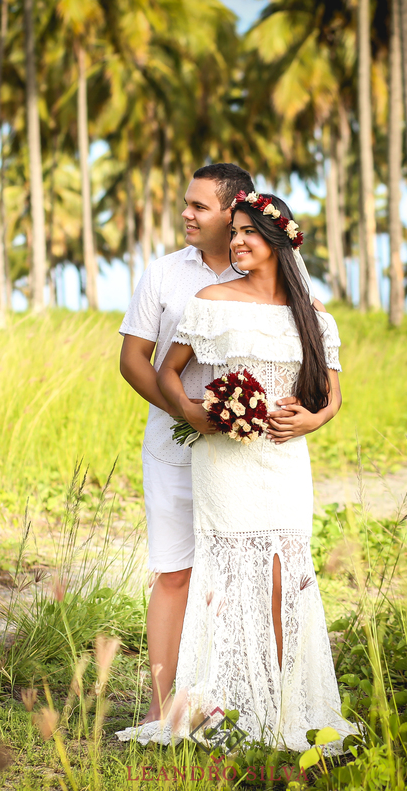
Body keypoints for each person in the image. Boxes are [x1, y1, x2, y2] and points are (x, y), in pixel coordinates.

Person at [117, 191, 356, 752]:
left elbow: (332, 396)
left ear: (278, 242)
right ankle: (220, 703)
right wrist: (196, 414)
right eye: (236, 231)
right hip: (223, 461)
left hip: (284, 462)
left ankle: (277, 707)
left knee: (281, 576)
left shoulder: (312, 316)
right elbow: (169, 372)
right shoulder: (210, 300)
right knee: (223, 580)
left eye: (250, 232)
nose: (239, 240)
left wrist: (310, 420)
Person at [118, 163, 253, 725]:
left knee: (234, 576)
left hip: (242, 452)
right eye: (186, 204)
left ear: (233, 211)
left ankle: (227, 703)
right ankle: (160, 710)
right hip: (171, 445)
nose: (186, 215)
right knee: (174, 573)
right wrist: (187, 413)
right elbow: (132, 360)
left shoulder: (271, 272)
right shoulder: (163, 275)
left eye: (199, 206)